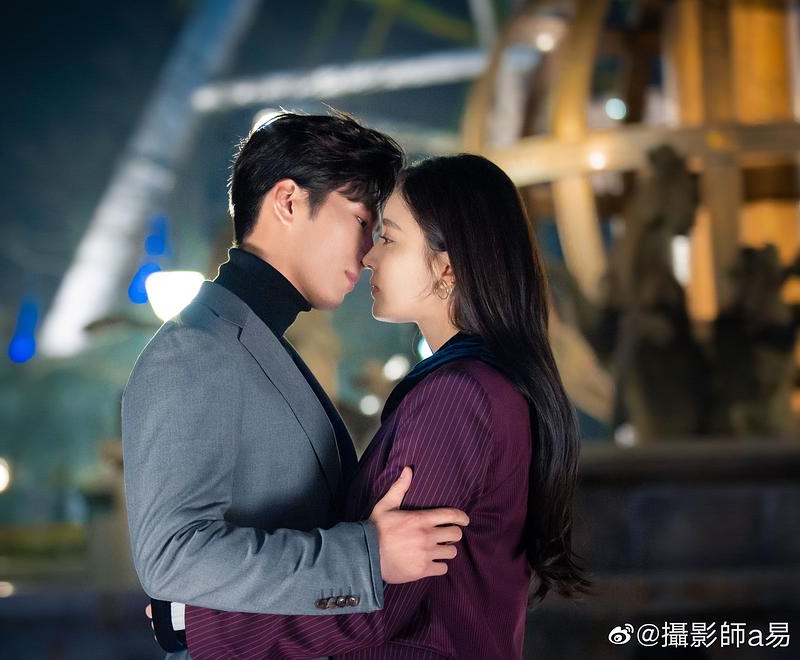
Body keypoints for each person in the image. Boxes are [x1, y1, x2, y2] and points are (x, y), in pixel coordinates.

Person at [178, 154, 591, 659]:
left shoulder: (458, 398)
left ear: (446, 267)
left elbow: (375, 598)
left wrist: (193, 622)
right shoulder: (486, 386)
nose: (369, 256)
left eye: (389, 239)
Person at [122, 113, 472, 655]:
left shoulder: (256, 343)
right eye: (360, 219)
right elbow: (172, 556)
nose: (368, 252)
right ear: (288, 201)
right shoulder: (195, 351)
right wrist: (366, 556)